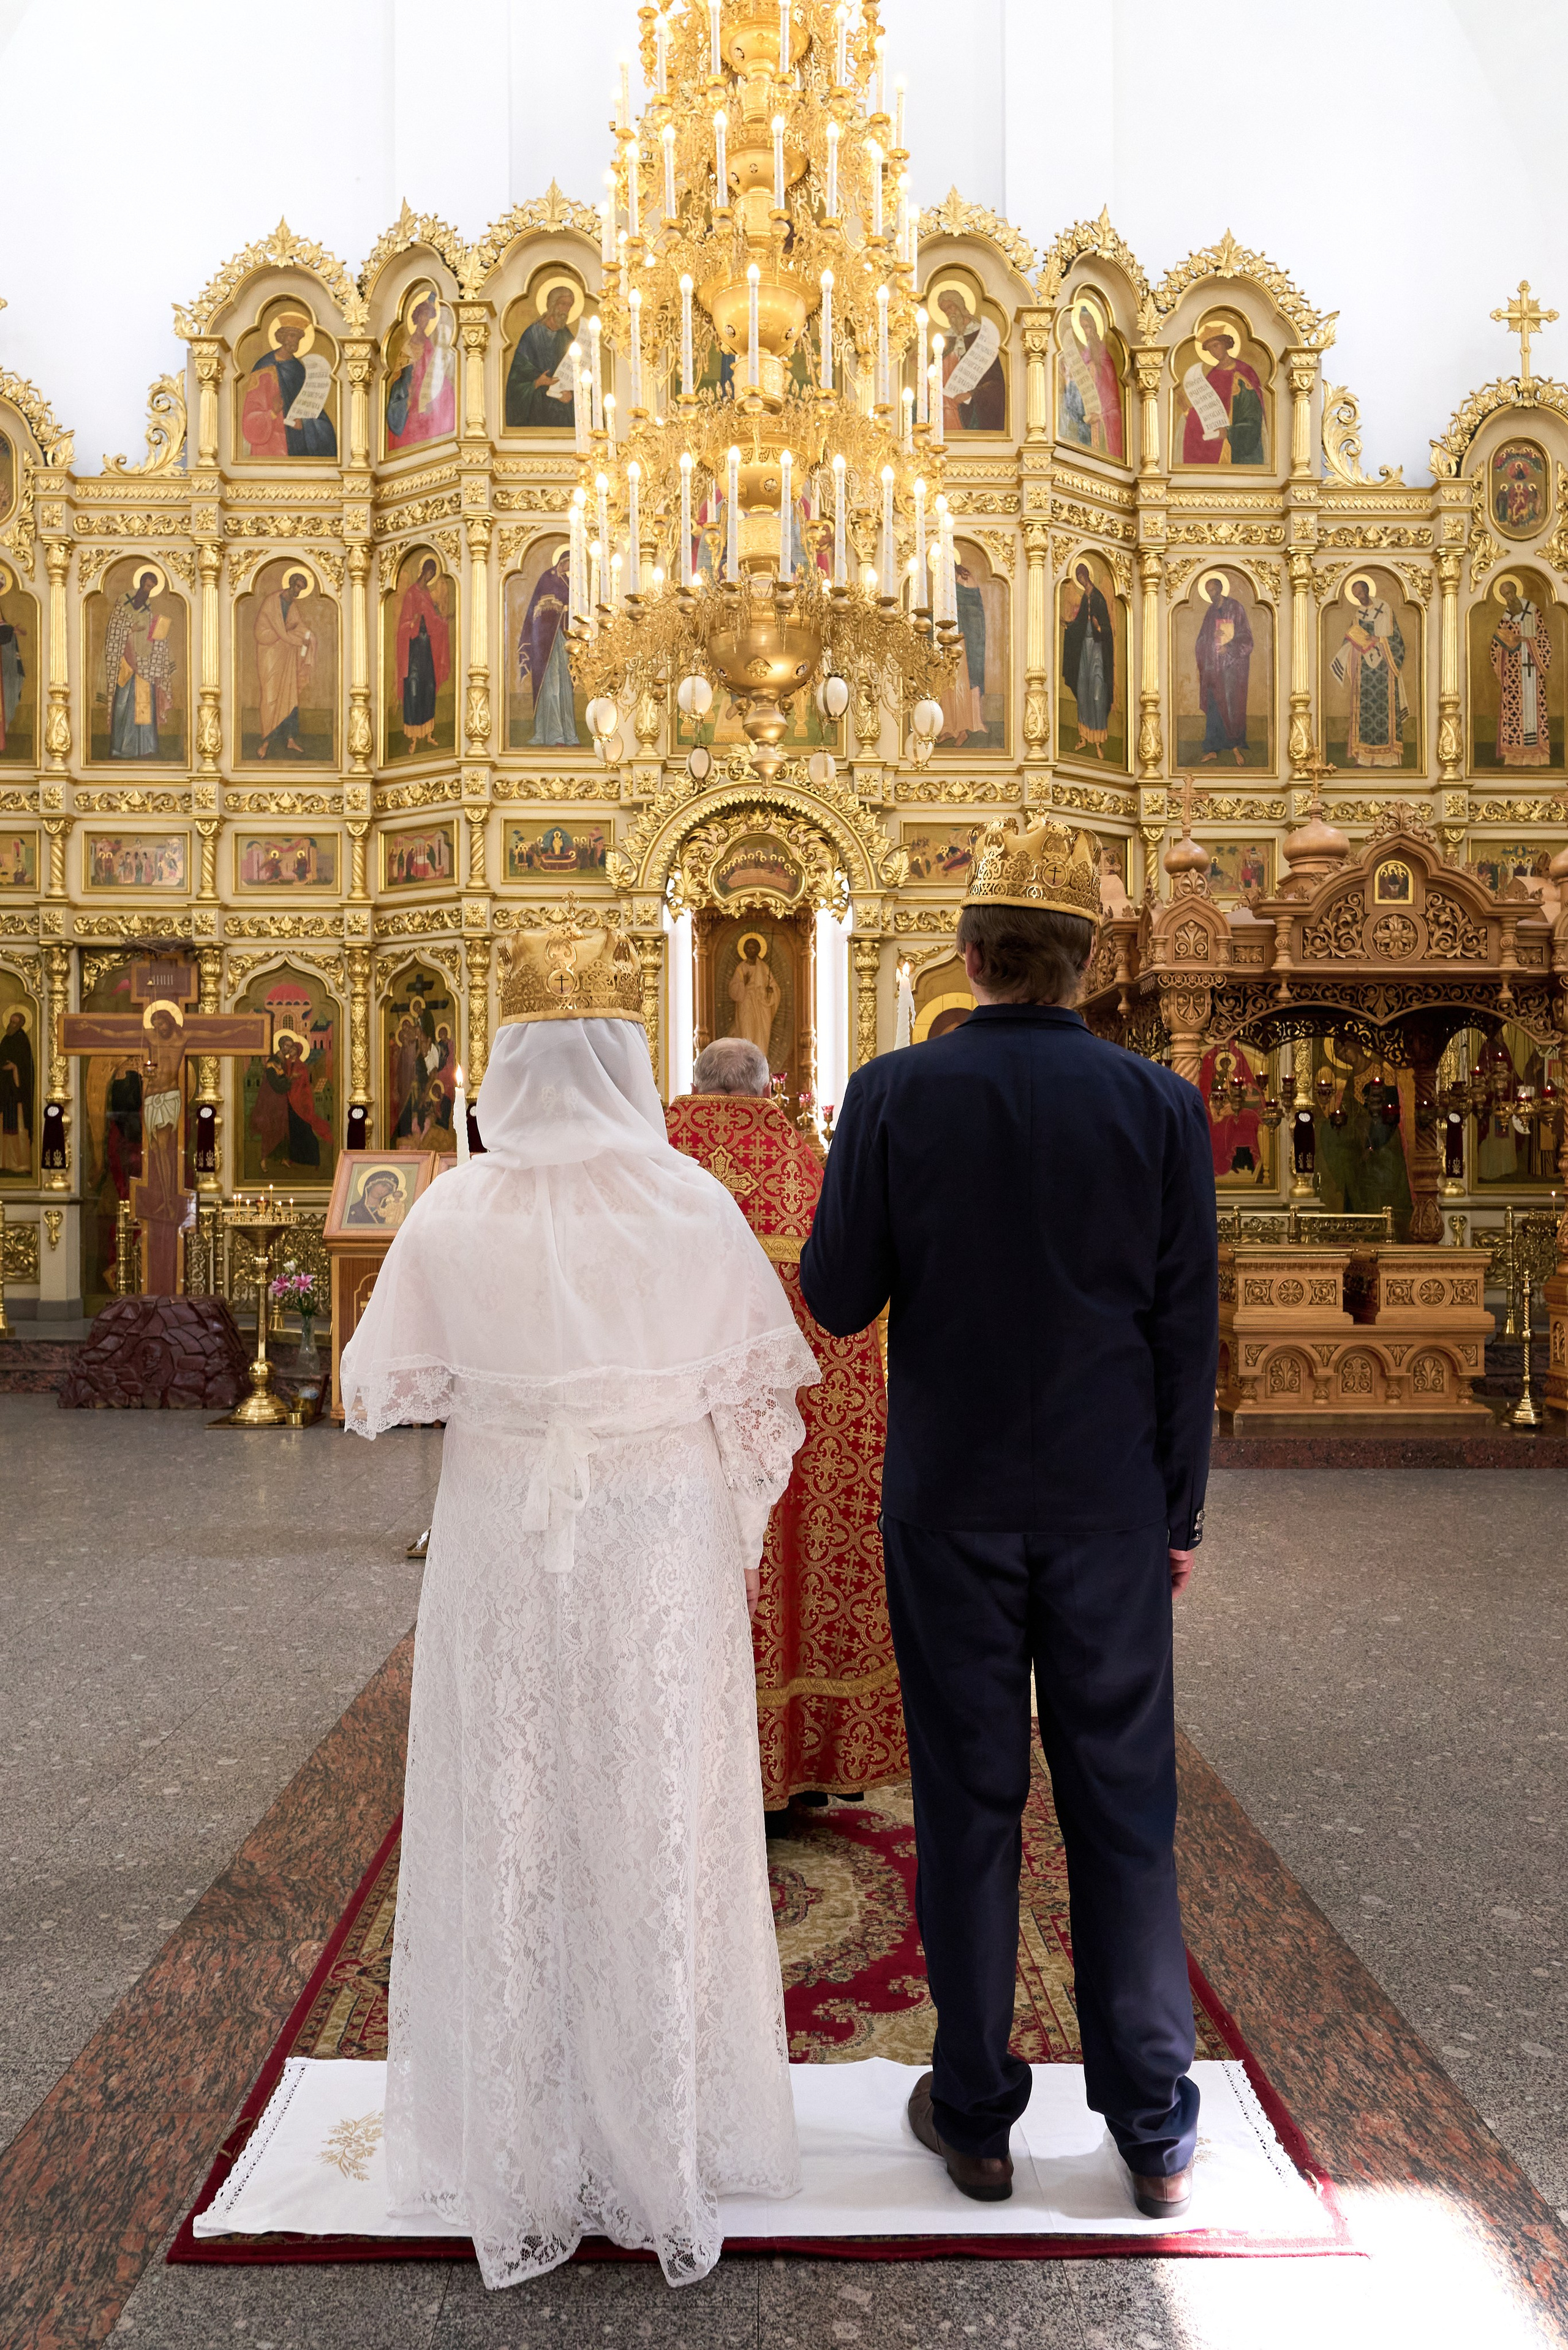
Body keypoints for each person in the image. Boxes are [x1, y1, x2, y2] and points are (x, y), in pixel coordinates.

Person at [339, 912, 817, 2288]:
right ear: (624, 1057)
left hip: (501, 1533)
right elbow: (760, 1398)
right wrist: (721, 1511)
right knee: (653, 1795)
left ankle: (518, 2126)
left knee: (512, 1797)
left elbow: (377, 1389)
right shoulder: (686, 1203)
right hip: (655, 1533)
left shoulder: (450, 1206)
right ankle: (666, 2120)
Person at [800, 819, 1218, 2219]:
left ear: (968, 957)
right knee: (1122, 1801)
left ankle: (975, 2114)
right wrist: (1176, 1511)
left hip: (950, 1499)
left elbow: (840, 1293)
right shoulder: (1158, 1107)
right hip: (1107, 1505)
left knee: (967, 1802)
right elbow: (1179, 1330)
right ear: (1087, 966)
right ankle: (1152, 2125)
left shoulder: (894, 1092)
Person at [667, 1035, 907, 1826]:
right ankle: (800, 1759)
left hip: (679, 1431)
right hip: (793, 1436)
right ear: (771, 1087)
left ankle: (679, 1756)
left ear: (697, 1083)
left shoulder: (656, 1163)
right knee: (787, 1560)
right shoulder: (806, 1169)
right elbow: (852, 1309)